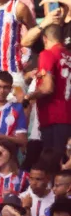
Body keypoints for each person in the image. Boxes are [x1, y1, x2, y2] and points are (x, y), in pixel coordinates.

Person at [27, 24, 71, 154]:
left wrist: (28, 96)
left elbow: (47, 88)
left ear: (45, 39)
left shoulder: (48, 54)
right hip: (68, 117)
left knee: (52, 163)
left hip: (54, 117)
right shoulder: (69, 55)